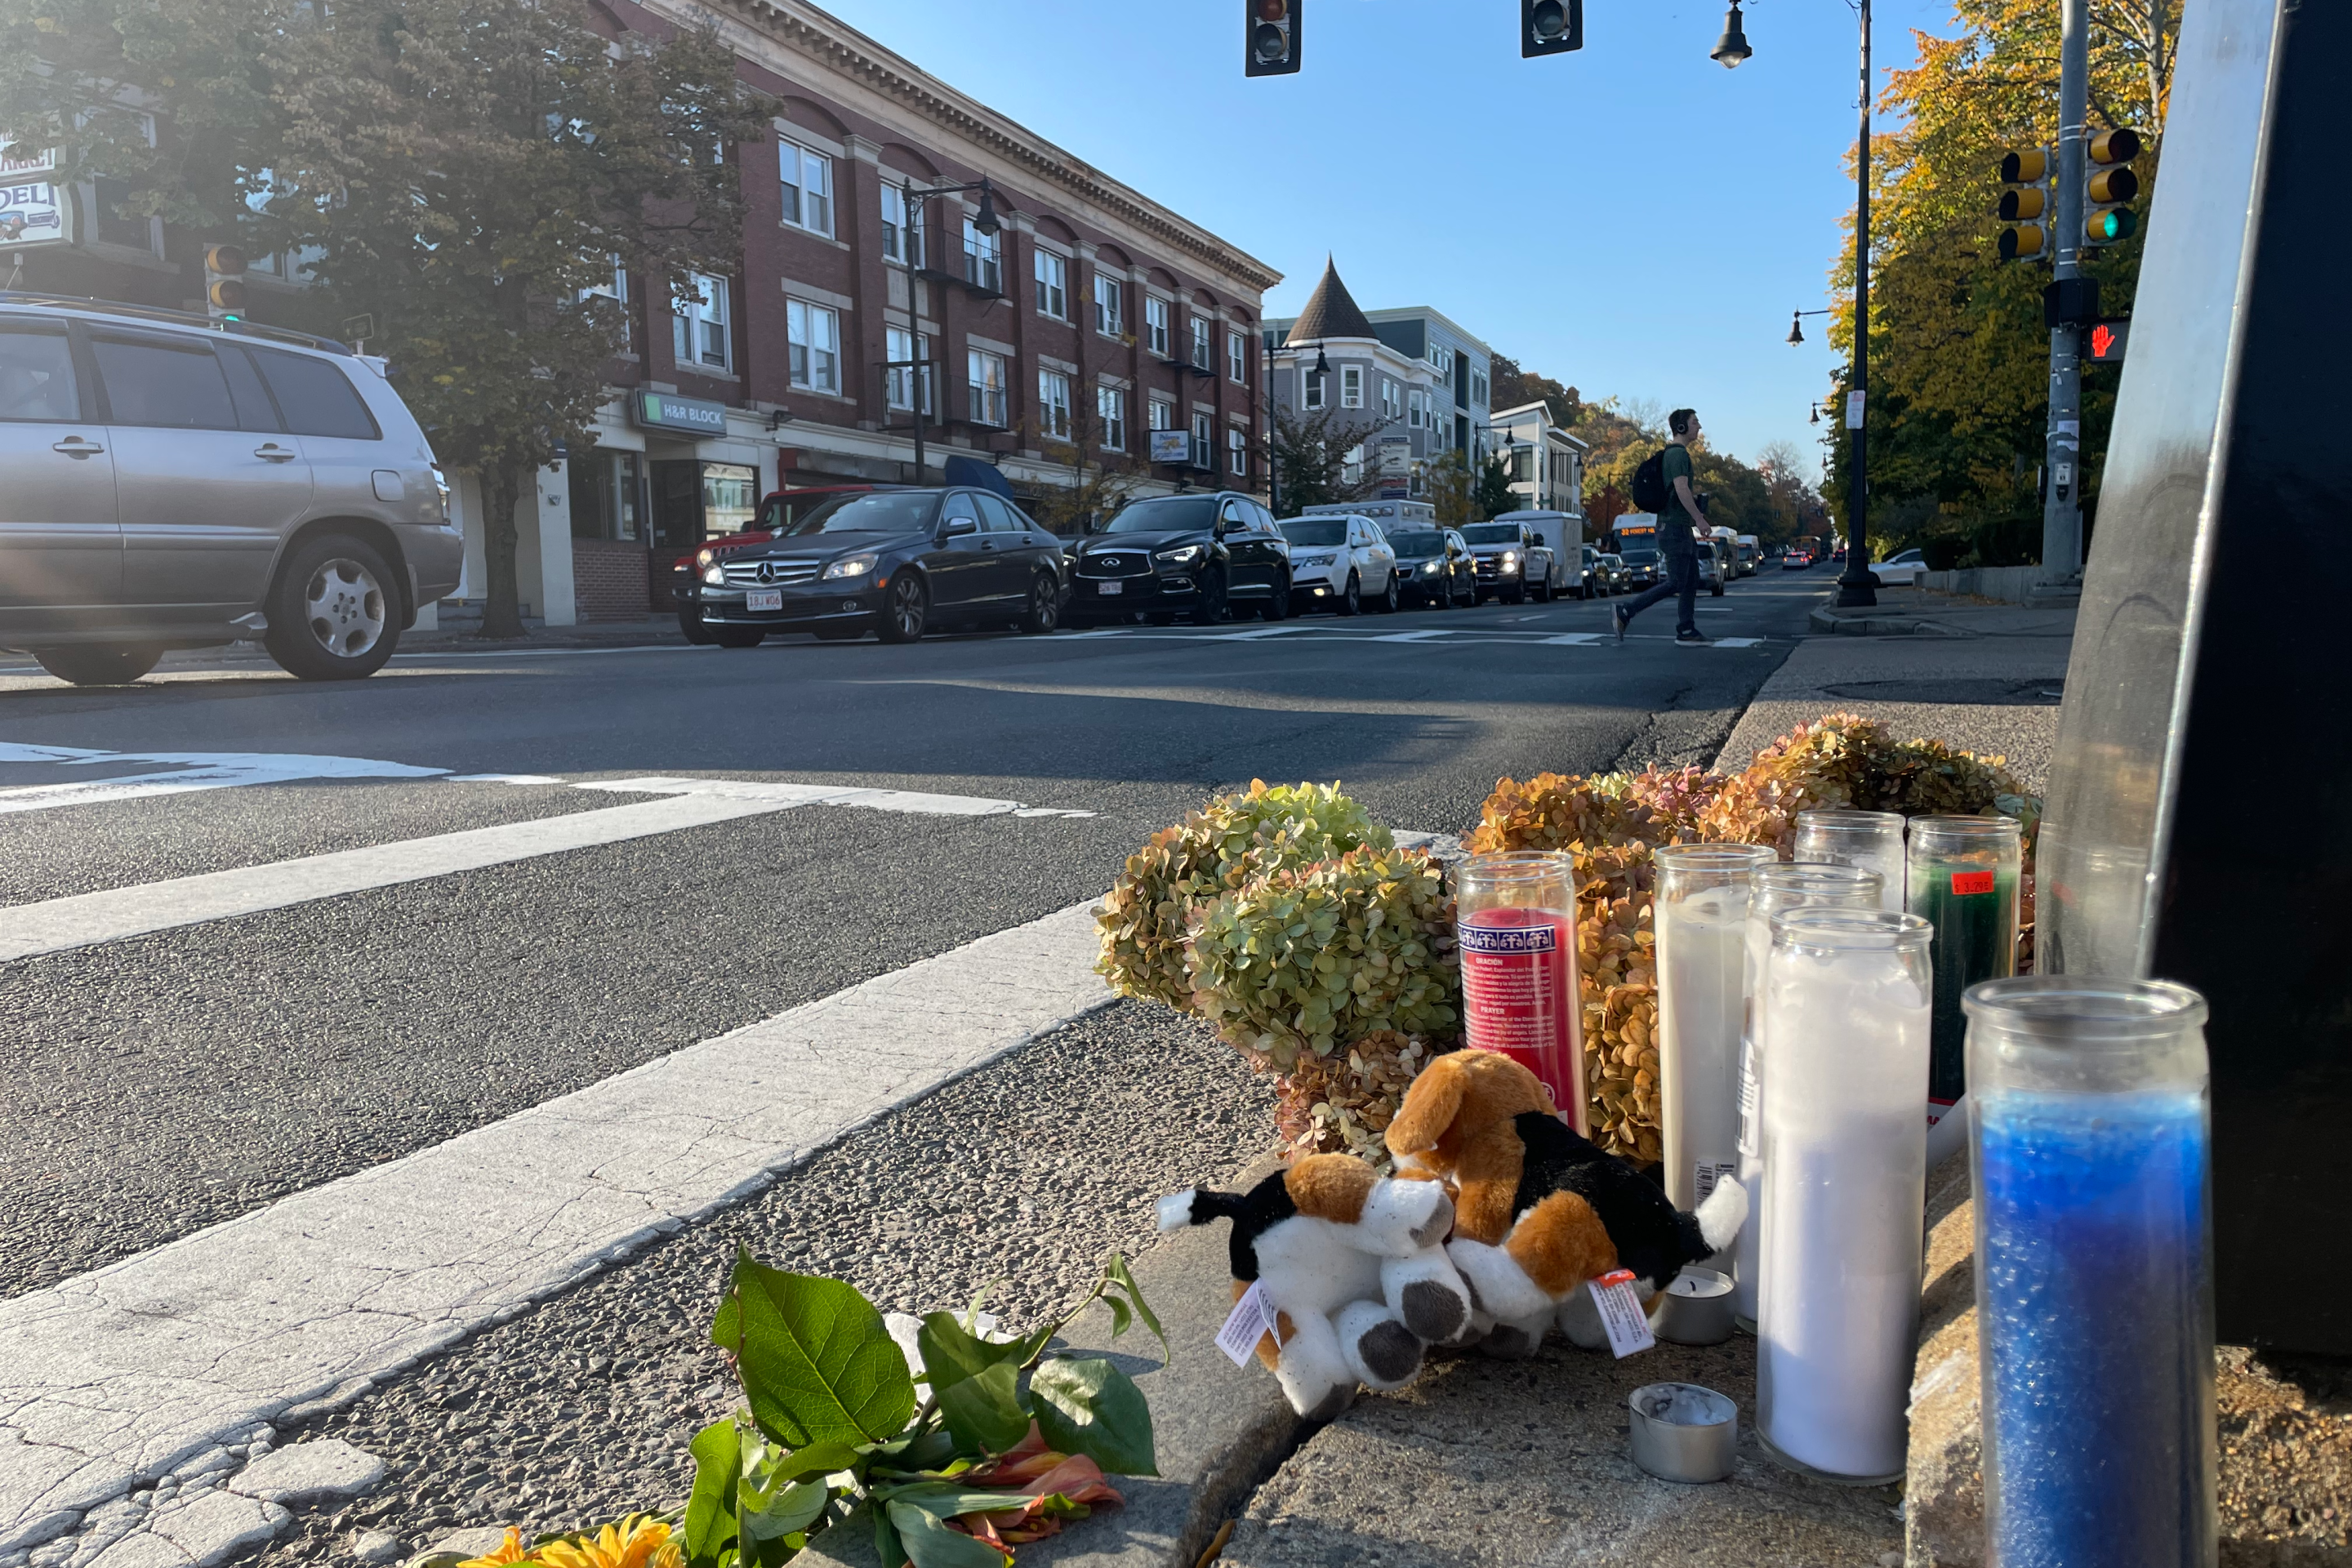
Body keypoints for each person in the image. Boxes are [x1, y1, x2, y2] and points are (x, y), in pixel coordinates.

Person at [1613, 408, 1711, 645]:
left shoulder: (1678, 455)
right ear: (1681, 428)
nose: (1699, 426)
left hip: (1680, 528)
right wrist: (1699, 517)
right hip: (1674, 528)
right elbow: (1681, 489)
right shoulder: (1678, 455)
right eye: (1694, 422)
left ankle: (1686, 629)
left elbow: (1680, 492)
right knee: (1677, 582)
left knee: (1691, 580)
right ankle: (1626, 611)